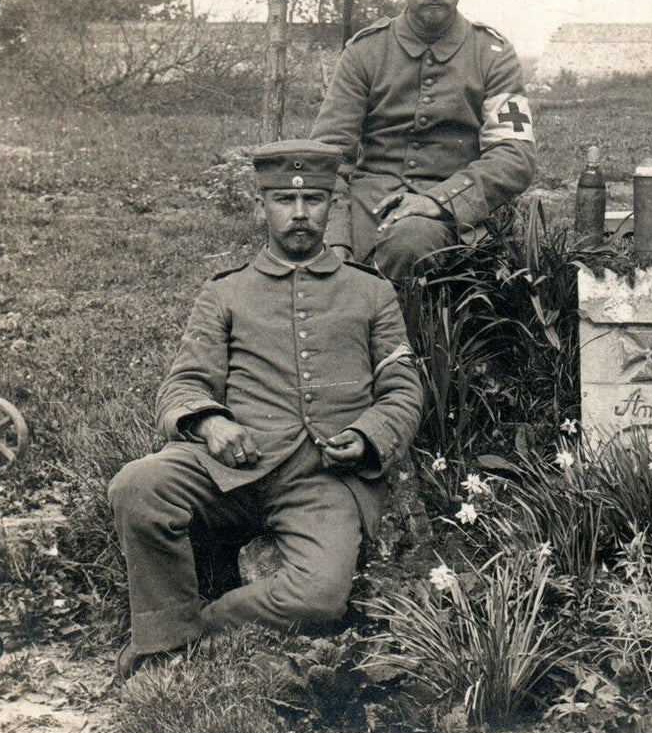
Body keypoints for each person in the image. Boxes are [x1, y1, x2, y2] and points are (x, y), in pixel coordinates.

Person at [108, 140, 424, 678]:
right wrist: (210, 422)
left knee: (319, 600)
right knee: (137, 486)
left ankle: (197, 630)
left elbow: (403, 388)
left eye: (315, 201)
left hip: (323, 478)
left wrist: (369, 435)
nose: (299, 214)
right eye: (283, 200)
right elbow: (182, 383)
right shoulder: (226, 293)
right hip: (231, 469)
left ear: (333, 207)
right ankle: (161, 642)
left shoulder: (371, 293)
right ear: (261, 208)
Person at [310, 0, 536, 283]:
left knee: (410, 242)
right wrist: (336, 237)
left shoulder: (493, 54)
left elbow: (515, 155)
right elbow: (326, 154)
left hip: (453, 217)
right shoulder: (365, 52)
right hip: (366, 212)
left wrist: (440, 200)